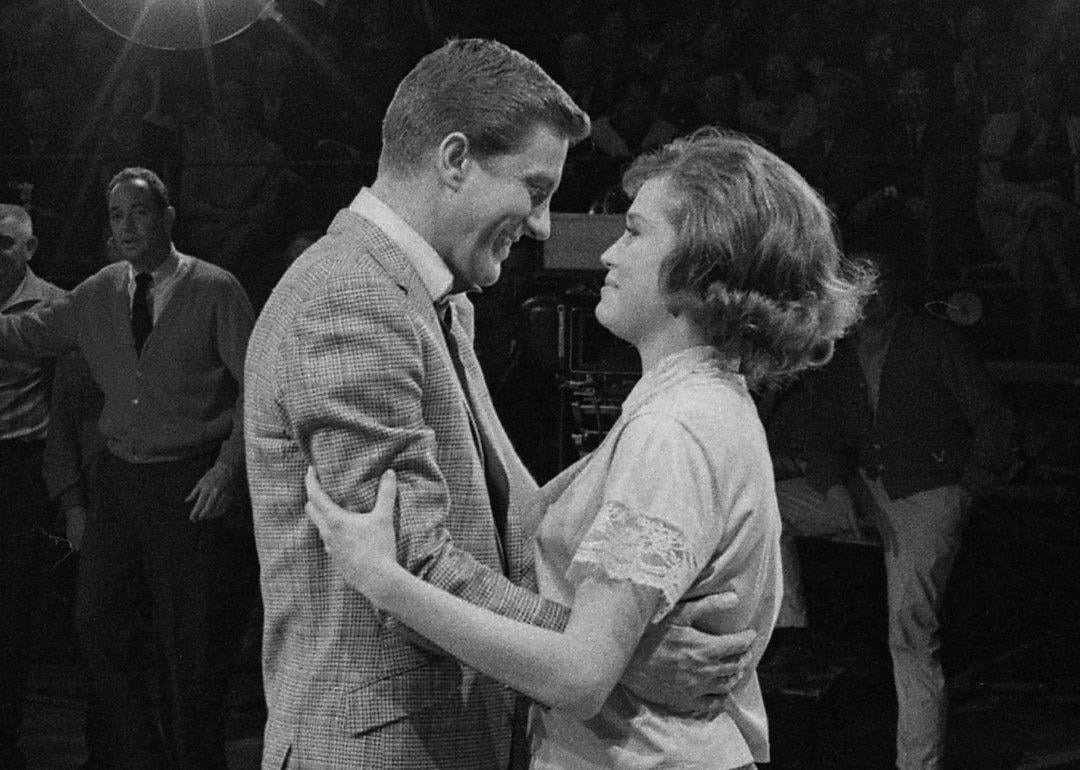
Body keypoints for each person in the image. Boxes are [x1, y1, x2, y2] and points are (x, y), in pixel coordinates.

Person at [245, 39, 760, 769]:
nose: (546, 226)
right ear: (455, 159)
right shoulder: (349, 297)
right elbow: (413, 562)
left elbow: (511, 522)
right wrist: (611, 656)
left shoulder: (437, 302)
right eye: (535, 188)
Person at [305, 128, 872, 768]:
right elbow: (533, 522)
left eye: (633, 231)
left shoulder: (676, 429)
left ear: (702, 268)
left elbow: (577, 677)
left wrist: (384, 580)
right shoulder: (690, 404)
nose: (608, 254)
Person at [0, 167, 254, 768]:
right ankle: (138, 754)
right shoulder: (99, 290)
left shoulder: (216, 288)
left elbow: (261, 387)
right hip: (119, 478)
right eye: (116, 215)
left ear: (167, 216)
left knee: (189, 642)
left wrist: (226, 468)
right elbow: (31, 333)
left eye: (139, 212)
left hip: (186, 480)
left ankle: (196, 760)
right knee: (97, 624)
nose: (128, 226)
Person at [799, 251, 1014, 770]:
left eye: (876, 289)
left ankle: (916, 764)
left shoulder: (933, 341)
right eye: (856, 290)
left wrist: (966, 490)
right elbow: (823, 430)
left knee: (911, 634)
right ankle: (790, 630)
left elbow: (995, 419)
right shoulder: (840, 352)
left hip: (927, 495)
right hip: (869, 490)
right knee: (761, 502)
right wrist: (834, 488)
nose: (867, 301)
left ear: (892, 292)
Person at [0, 203, 65, 769]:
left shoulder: (52, 304)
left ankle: (6, 732)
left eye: (3, 242)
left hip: (20, 462)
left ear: (29, 248)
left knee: (11, 603)